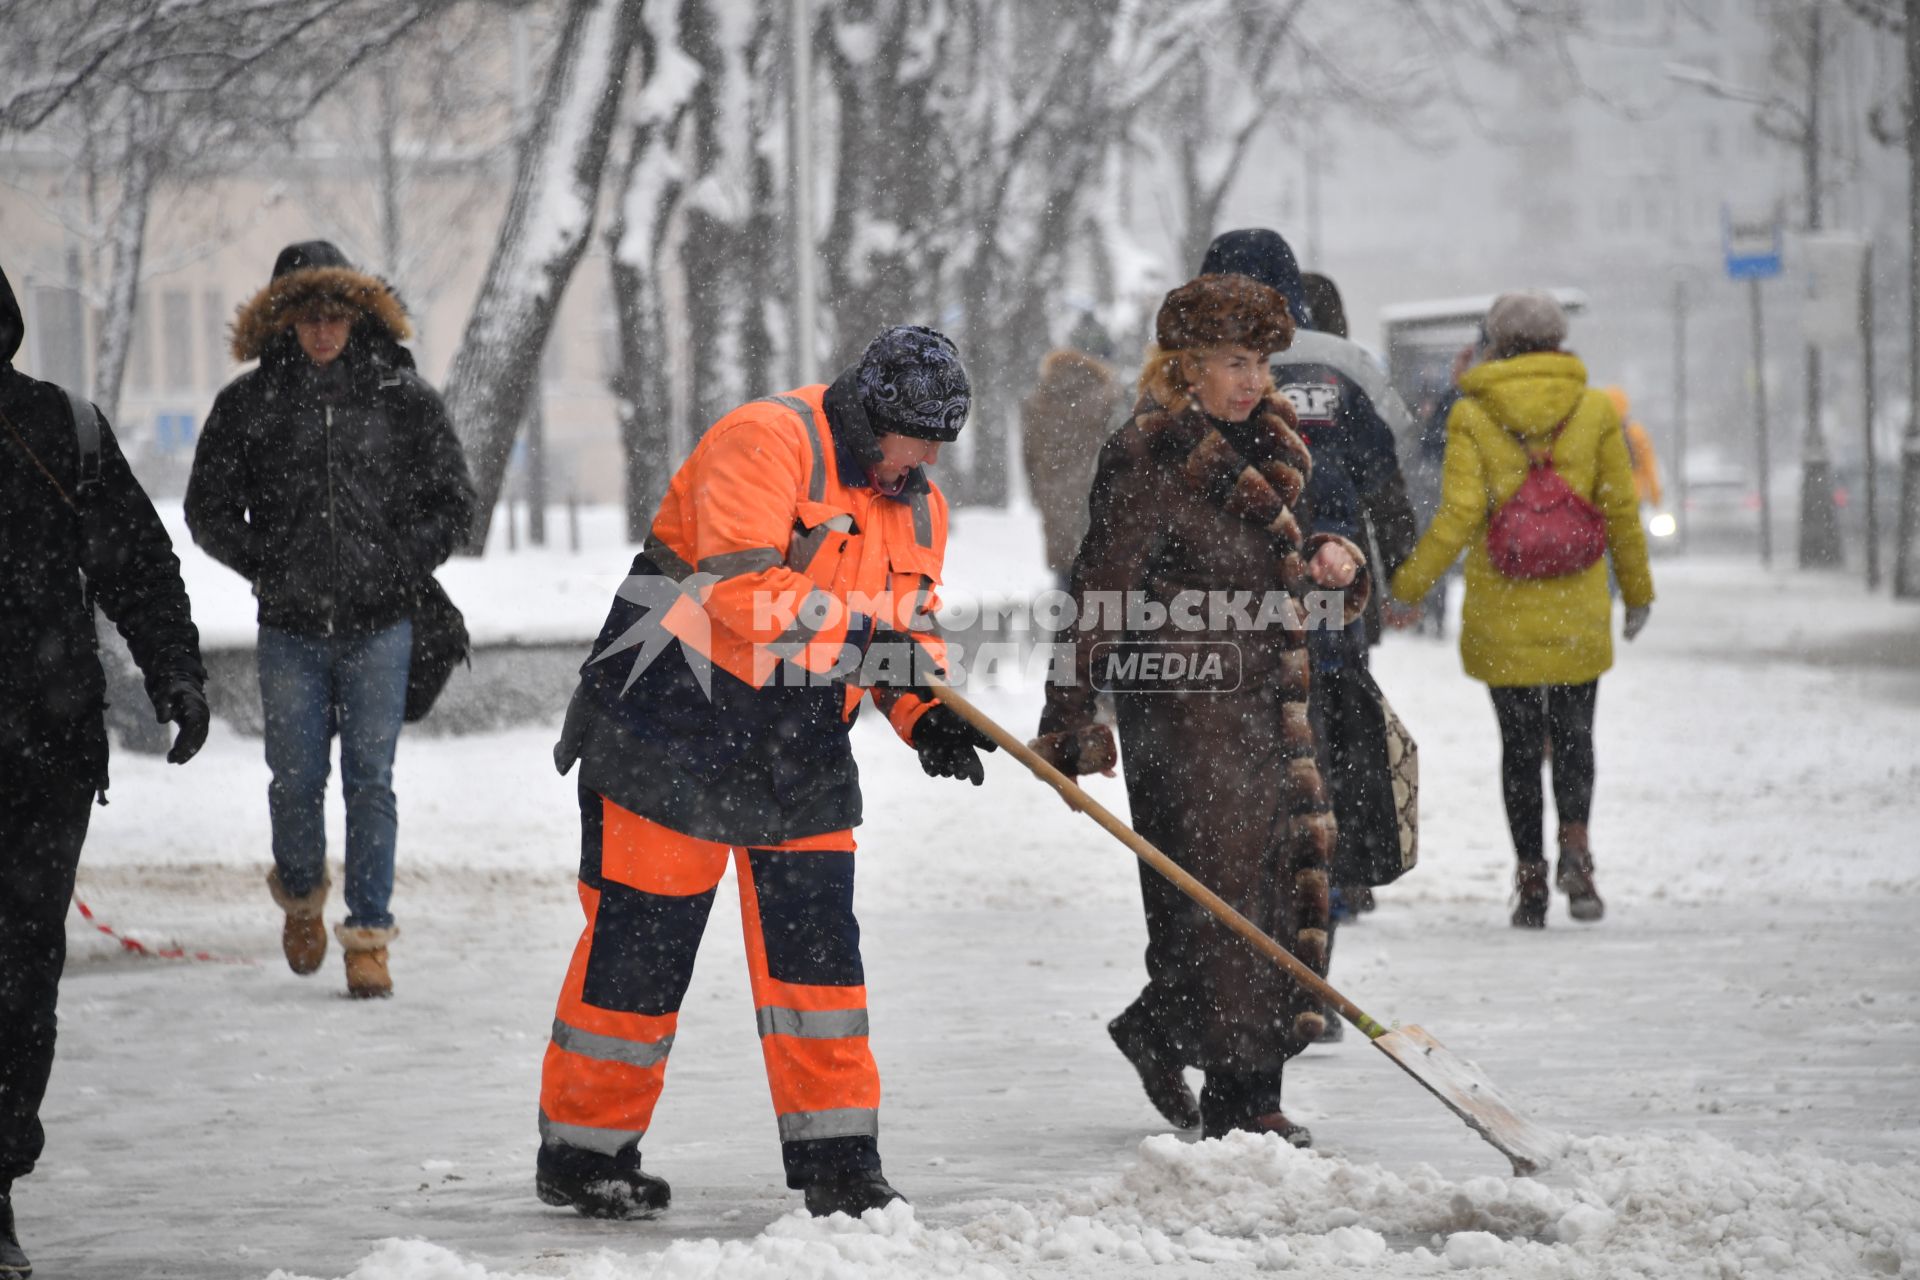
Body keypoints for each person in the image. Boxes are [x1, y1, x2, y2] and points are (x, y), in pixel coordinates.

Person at [536, 325, 998, 1220]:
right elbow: (739, 594)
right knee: (640, 950)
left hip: (800, 738)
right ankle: (583, 1153)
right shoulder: (765, 440)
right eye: (918, 437)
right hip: (670, 716)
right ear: (872, 415)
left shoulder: (920, 505)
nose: (927, 459)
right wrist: (870, 644)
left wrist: (925, 711)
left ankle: (839, 1163)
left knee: (818, 954)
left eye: (942, 441)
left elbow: (909, 627)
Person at [1031, 274, 1365, 1143]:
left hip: (1273, 705)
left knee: (1271, 886)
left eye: (1259, 362)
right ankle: (1243, 1098)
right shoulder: (1148, 457)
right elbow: (1098, 592)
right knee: (1215, 898)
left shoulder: (1276, 447)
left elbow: (1293, 556)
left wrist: (1336, 560)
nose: (1251, 380)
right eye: (1230, 362)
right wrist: (1069, 715)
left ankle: (1164, 1032)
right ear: (1186, 368)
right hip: (1183, 709)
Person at [185, 241, 474, 998]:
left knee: (370, 781)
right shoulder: (247, 406)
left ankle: (368, 936)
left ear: (355, 315)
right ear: (283, 321)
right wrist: (269, 565)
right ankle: (302, 896)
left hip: (384, 624)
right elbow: (206, 511)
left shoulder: (401, 398)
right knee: (295, 778)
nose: (322, 331)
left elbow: (453, 501)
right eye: (308, 317)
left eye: (335, 315)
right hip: (290, 629)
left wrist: (400, 563)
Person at [1, 262, 209, 1278]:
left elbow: (137, 560)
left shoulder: (62, 430)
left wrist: (175, 673)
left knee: (21, 963)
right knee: (20, 965)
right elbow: (141, 562)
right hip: (49, 739)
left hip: (42, 747)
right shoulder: (66, 428)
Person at [1199, 236, 1421, 1030]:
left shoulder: (1191, 373)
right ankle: (1306, 972)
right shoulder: (1344, 368)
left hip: (1223, 629)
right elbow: (1390, 477)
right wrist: (1400, 574)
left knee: (1235, 812)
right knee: (1314, 786)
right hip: (1326, 610)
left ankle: (1248, 977)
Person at [1389, 292, 1654, 928]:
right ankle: (1579, 854)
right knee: (1575, 735)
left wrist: (1409, 584)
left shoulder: (1474, 414)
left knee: (1517, 747)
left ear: (1495, 343)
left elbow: (1456, 516)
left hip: (1501, 608)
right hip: (1578, 608)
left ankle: (1531, 880)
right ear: (1559, 341)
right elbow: (1620, 508)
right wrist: (1638, 592)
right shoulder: (1593, 410)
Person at [1021, 346, 1123, 586]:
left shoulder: (1037, 402)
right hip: (1102, 502)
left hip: (1057, 506)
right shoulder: (1106, 397)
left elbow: (1029, 459)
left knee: (1066, 581)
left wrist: (1041, 495)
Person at [1603, 385, 1664, 509]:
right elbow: (1649, 465)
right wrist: (1655, 496)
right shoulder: (1636, 432)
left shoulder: (1600, 433)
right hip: (1633, 494)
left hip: (1605, 495)